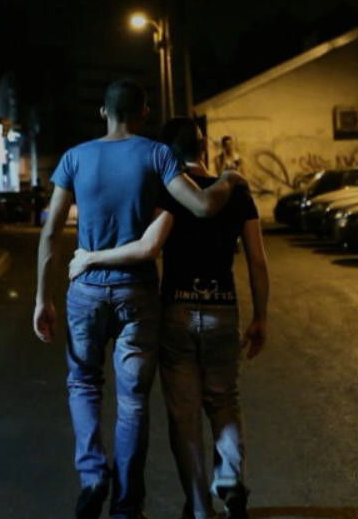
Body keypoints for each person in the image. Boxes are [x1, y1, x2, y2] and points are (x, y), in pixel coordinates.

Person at [35, 80, 248, 519]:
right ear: (144, 113)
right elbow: (203, 206)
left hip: (86, 291)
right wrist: (229, 178)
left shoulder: (74, 158)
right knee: (133, 401)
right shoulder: (157, 154)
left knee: (83, 383)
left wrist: (42, 297)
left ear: (103, 112)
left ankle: (93, 475)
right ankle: (127, 506)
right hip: (137, 294)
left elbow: (51, 231)